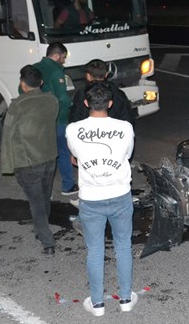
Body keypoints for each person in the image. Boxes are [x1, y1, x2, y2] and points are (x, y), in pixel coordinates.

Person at [66, 81, 137, 316]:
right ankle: (126, 299)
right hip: (119, 194)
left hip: (91, 197)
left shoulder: (73, 129)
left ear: (86, 103)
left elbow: (75, 155)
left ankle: (97, 304)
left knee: (95, 251)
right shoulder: (125, 127)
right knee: (123, 246)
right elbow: (127, 155)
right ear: (110, 103)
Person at [0, 65, 60, 255]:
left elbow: (7, 135)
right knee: (44, 196)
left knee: (35, 201)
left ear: (22, 84)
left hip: (27, 161)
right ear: (40, 83)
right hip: (49, 157)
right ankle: (43, 228)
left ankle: (46, 240)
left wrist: (7, 164)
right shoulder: (52, 100)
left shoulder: (17, 105)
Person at [33, 42, 77, 195]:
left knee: (43, 156)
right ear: (57, 55)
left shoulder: (33, 69)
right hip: (57, 120)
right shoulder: (57, 71)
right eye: (63, 58)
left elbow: (22, 89)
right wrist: (68, 112)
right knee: (63, 151)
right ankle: (67, 185)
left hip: (38, 119)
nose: (63, 61)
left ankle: (44, 191)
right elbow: (63, 98)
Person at [68, 59, 137, 128]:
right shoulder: (118, 93)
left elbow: (74, 119)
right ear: (106, 74)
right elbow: (128, 119)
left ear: (88, 76)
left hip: (89, 136)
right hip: (114, 135)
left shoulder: (81, 95)